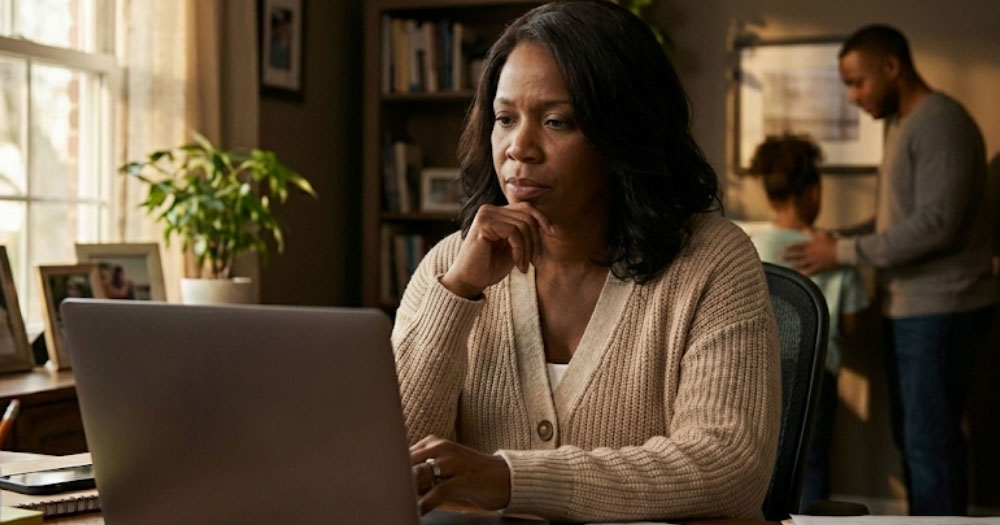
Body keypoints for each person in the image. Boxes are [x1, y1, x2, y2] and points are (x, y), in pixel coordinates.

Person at [392, 1, 781, 522]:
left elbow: (729, 466)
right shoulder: (450, 265)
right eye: (505, 119)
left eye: (557, 121)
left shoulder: (711, 262)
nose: (519, 148)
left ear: (624, 135)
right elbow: (389, 461)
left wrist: (511, 479)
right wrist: (459, 293)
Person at [784, 25, 997, 516]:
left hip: (944, 307)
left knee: (930, 444)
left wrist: (843, 253)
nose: (855, 98)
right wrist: (838, 236)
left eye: (858, 83)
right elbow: (895, 219)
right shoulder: (901, 125)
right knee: (918, 439)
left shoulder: (941, 123)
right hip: (913, 309)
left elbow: (936, 224)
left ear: (892, 67)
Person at [746, 135, 869, 510]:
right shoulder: (832, 253)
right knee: (810, 460)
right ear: (815, 192)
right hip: (816, 377)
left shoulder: (748, 247)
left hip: (757, 371)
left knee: (759, 460)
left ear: (769, 197)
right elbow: (852, 325)